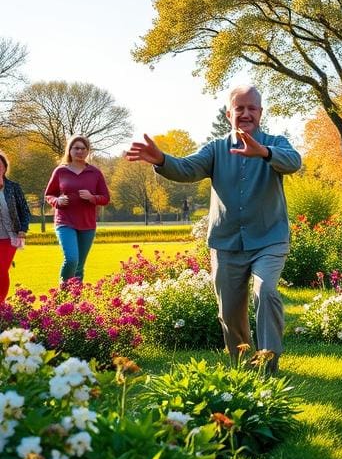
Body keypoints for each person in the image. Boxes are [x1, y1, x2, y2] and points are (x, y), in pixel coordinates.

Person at [125, 85, 302, 373]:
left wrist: (263, 153)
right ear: (228, 114)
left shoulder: (275, 143)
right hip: (226, 242)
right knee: (229, 312)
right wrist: (161, 159)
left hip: (269, 239)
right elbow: (187, 168)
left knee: (266, 290)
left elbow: (294, 162)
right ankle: (243, 367)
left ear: (260, 112)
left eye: (252, 108)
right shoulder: (216, 149)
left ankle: (268, 365)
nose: (246, 113)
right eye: (239, 108)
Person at [44, 135, 110, 284]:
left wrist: (92, 197)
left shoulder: (95, 173)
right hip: (65, 222)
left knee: (79, 266)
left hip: (87, 224)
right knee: (72, 259)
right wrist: (57, 201)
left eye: (83, 149)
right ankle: (63, 291)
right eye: (76, 148)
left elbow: (106, 198)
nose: (80, 151)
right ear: (70, 150)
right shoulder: (60, 171)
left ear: (87, 151)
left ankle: (76, 296)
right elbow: (49, 195)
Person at [0, 150, 30, 303]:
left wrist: (23, 230)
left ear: (5, 168)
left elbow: (25, 211)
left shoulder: (13, 187)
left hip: (10, 237)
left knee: (1, 270)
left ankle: (1, 304)